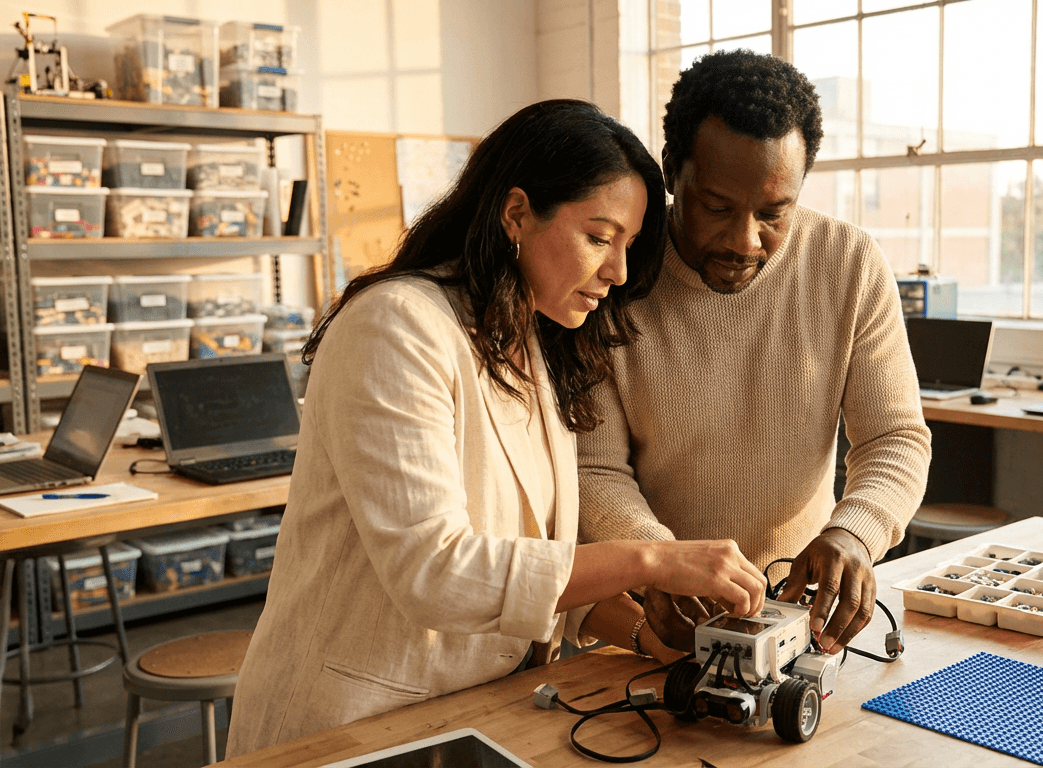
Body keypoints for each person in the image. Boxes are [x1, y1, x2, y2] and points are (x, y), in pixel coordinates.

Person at [226, 99, 766, 756]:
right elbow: (439, 573)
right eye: (599, 238)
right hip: (350, 722)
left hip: (475, 711)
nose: (618, 272)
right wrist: (653, 559)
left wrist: (651, 635)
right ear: (516, 214)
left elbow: (526, 573)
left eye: (626, 246)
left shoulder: (532, 343)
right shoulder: (395, 327)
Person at [578, 50, 931, 660]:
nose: (745, 241)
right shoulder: (612, 272)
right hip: (649, 617)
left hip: (798, 620)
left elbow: (896, 437)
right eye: (717, 208)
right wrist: (662, 560)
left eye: (773, 214)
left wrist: (856, 531)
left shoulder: (848, 265)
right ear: (670, 172)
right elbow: (595, 468)